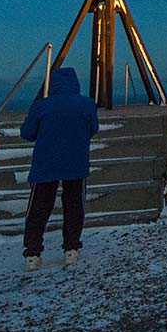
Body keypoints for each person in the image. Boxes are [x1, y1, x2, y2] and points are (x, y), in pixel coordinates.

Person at [20, 67, 99, 272]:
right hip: (76, 162)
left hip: (46, 165)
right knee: (74, 205)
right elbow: (93, 129)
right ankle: (71, 248)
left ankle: (33, 253)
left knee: (39, 208)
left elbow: (28, 133)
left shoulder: (41, 106)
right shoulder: (86, 104)